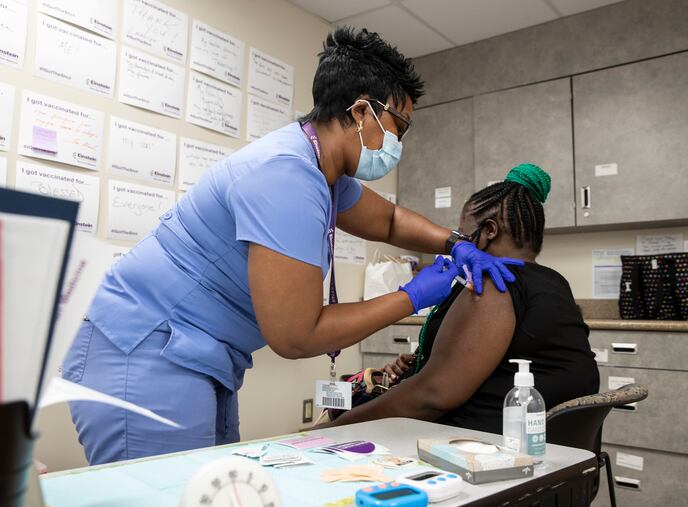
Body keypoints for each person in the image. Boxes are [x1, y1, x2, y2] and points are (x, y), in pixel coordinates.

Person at [63, 27, 523, 465]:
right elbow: (297, 335)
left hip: (196, 357)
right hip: (143, 353)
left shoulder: (321, 171)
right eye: (399, 126)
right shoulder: (286, 176)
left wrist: (455, 241)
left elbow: (387, 219)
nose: (400, 143)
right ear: (362, 112)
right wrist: (412, 296)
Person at [325, 164, 600, 434]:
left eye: (463, 236)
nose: (456, 244)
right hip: (539, 449)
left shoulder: (492, 281)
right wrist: (426, 359)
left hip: (475, 449)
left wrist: (333, 430)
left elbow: (431, 396)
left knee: (334, 421)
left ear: (489, 230)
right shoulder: (554, 282)